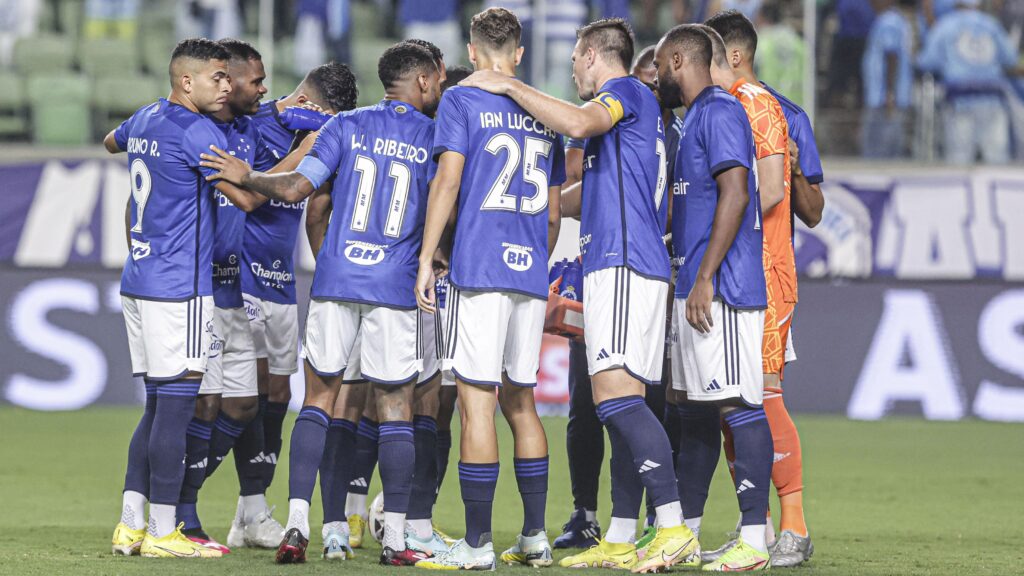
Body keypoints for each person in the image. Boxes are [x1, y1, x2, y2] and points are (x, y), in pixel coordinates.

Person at [462, 17, 698, 574]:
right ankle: (620, 535)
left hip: (622, 263)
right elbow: (583, 194)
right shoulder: (641, 118)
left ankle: (673, 527)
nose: (572, 70)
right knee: (622, 406)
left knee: (616, 402)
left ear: (592, 54)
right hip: (634, 263)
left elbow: (577, 120)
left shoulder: (624, 93)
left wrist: (508, 85)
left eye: (573, 59)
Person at [199, 41, 442, 565]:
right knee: (395, 407)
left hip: (336, 281)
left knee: (318, 401)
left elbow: (296, 190)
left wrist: (247, 175)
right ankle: (397, 539)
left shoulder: (344, 126)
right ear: (423, 81)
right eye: (439, 80)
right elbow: (447, 207)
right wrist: (436, 256)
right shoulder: (436, 137)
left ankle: (296, 527)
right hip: (394, 285)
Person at [413, 7, 564, 570]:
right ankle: (534, 537)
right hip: (529, 275)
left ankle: (477, 545)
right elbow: (553, 214)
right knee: (522, 404)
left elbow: (447, 180)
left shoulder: (460, 100)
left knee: (476, 406)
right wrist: (533, 264)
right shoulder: (545, 109)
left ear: (472, 52)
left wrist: (426, 257)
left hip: (478, 271)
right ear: (518, 54)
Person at [106, 37, 233, 559]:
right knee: (176, 411)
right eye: (216, 77)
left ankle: (130, 525)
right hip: (179, 288)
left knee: (158, 407)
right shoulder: (198, 131)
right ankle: (162, 531)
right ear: (186, 81)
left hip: (139, 279)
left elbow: (110, 142)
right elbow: (247, 194)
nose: (225, 86)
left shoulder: (145, 117)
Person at [655, 23, 773, 572]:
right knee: (696, 411)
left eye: (660, 65)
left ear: (679, 61)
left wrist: (705, 277)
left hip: (723, 288)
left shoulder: (721, 110)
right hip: (696, 286)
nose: (657, 76)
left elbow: (737, 192)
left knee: (738, 406)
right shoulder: (693, 119)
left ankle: (754, 541)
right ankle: (687, 534)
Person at [234, 60, 359, 549]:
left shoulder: (321, 134)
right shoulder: (253, 124)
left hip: (282, 279)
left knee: (279, 393)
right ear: (307, 102)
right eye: (327, 117)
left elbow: (315, 207)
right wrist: (305, 149)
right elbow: (248, 192)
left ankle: (251, 512)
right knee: (244, 394)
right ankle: (249, 507)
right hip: (242, 272)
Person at [174, 38, 281, 555]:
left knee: (241, 405)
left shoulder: (247, 130)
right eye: (252, 80)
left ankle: (171, 495)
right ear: (225, 79)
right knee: (203, 405)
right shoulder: (195, 134)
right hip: (201, 293)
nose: (261, 89)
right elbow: (252, 199)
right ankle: (178, 510)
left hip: (235, 288)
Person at [917, 0, 1019, 164]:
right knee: (997, 157)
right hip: (991, 100)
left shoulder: (945, 25)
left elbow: (927, 62)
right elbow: (1010, 58)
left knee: (959, 158)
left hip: (960, 101)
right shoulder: (991, 24)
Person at [861, 0, 915, 159]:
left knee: (880, 152)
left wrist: (890, 93)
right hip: (886, 96)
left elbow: (892, 56)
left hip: (884, 99)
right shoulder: (895, 20)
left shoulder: (888, 21)